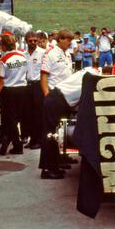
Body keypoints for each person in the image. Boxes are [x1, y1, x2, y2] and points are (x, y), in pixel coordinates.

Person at [39, 67, 100, 179]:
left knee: (55, 136)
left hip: (59, 97)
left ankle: (55, 165)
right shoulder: (93, 79)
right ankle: (47, 169)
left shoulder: (90, 71)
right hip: (57, 100)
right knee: (50, 135)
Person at [39, 29, 74, 179]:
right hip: (54, 95)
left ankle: (57, 160)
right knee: (50, 134)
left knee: (60, 133)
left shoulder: (67, 54)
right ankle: (47, 168)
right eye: (67, 40)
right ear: (60, 39)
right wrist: (47, 95)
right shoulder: (50, 53)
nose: (69, 43)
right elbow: (44, 76)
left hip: (64, 96)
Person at [0, 34, 27, 155]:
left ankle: (17, 144)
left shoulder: (3, 61)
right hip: (22, 88)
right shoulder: (22, 56)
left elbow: (0, 80)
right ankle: (8, 138)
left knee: (10, 119)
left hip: (9, 90)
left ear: (3, 46)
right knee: (15, 118)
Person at [24, 31, 45, 149]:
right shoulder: (23, 55)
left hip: (38, 85)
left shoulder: (42, 53)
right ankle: (32, 139)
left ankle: (39, 140)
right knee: (29, 114)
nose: (33, 43)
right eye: (30, 40)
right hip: (27, 85)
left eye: (35, 40)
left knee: (38, 114)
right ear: (26, 41)